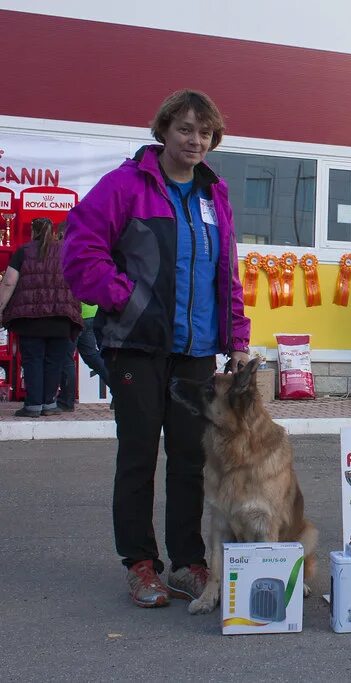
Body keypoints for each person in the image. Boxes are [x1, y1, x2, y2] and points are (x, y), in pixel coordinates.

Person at [62, 89, 251, 608]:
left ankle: (188, 561)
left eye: (205, 132)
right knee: (139, 456)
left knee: (191, 458)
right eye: (185, 129)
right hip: (137, 347)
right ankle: (141, 564)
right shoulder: (126, 185)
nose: (195, 141)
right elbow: (79, 249)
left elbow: (225, 272)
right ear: (164, 130)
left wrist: (236, 337)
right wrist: (124, 297)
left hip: (195, 351)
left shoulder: (216, 196)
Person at [0, 218, 83, 417]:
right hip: (62, 316)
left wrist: (1, 308)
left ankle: (33, 405)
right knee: (55, 361)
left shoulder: (24, 251)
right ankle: (48, 403)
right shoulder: (66, 251)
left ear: (33, 232)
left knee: (32, 360)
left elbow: (9, 282)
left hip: (31, 316)